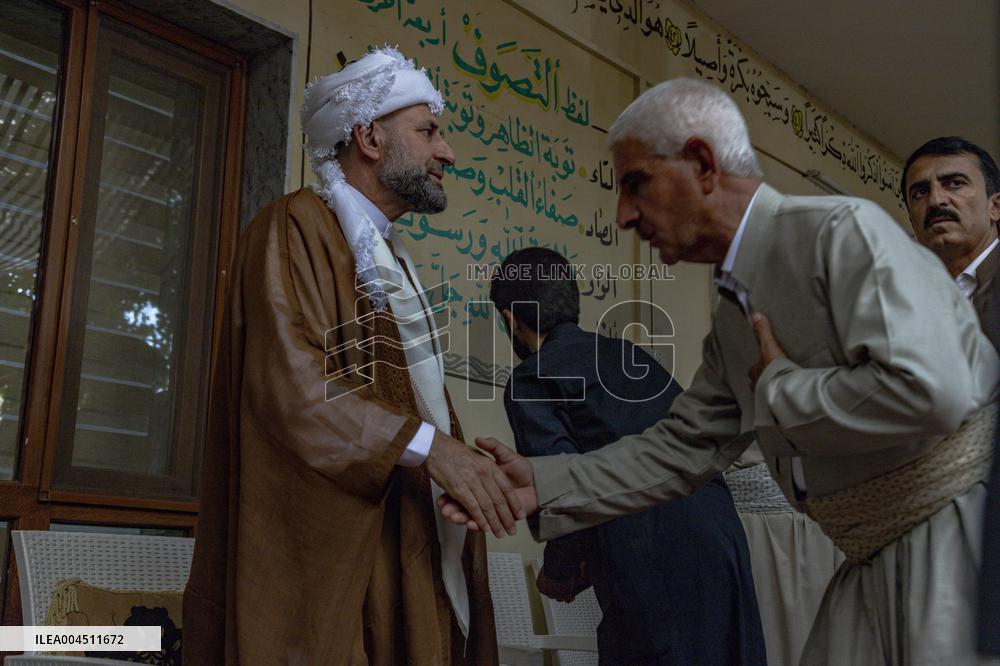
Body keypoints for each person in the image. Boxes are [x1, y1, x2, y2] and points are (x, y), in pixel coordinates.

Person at [443, 78, 999, 665]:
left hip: (958, 545)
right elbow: (682, 447)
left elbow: (933, 390)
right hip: (869, 559)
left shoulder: (839, 231)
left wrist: (785, 388)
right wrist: (546, 483)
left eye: (636, 185)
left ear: (702, 164)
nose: (624, 215)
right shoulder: (736, 305)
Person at [183, 48, 517, 665]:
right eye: (428, 132)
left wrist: (459, 463)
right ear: (367, 136)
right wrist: (432, 449)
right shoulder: (293, 226)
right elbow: (295, 387)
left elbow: (407, 397)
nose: (448, 153)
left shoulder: (392, 258)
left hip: (403, 541)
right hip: (333, 559)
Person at [490, 247, 766, 665]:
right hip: (721, 536)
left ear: (511, 318)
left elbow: (560, 487)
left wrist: (559, 572)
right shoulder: (635, 358)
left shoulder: (533, 378)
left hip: (650, 552)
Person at [901, 137, 1000, 655]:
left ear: (996, 205)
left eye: (954, 183)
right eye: (920, 192)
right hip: (928, 535)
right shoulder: (901, 301)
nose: (936, 199)